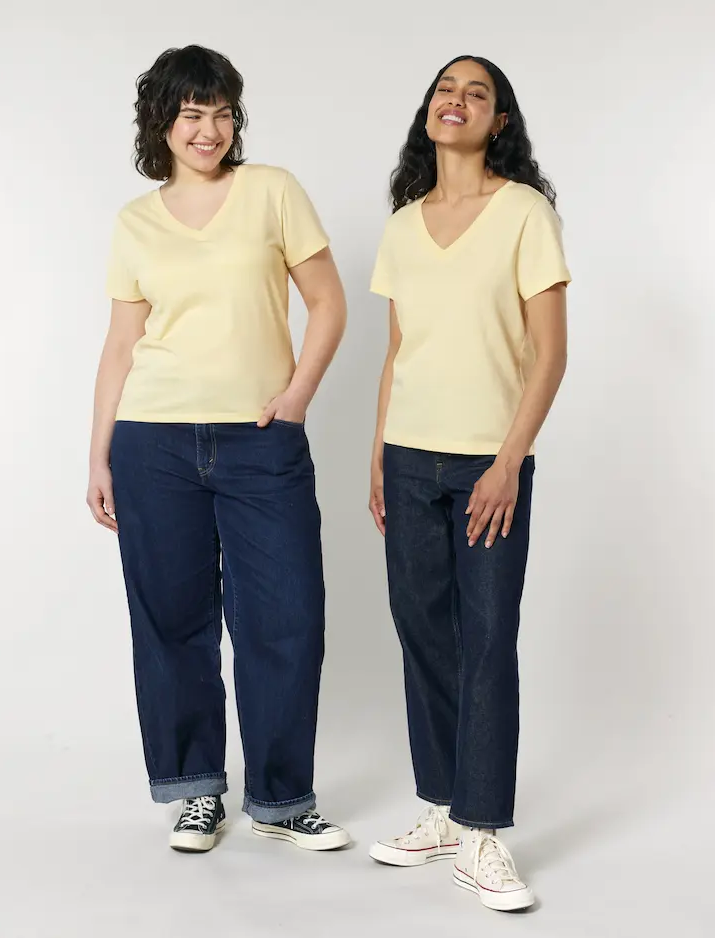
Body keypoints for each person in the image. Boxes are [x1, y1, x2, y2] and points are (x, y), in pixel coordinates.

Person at [87, 44, 350, 853]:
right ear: (161, 122)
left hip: (261, 439)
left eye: (222, 113)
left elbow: (328, 302)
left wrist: (296, 397)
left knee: (286, 618)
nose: (208, 130)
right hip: (152, 443)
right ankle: (196, 791)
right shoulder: (135, 222)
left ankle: (282, 800)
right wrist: (98, 455)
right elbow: (121, 345)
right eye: (191, 113)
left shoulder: (272, 191)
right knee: (172, 622)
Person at [367, 55, 570, 910]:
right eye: (445, 90)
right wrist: (378, 454)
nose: (456, 100)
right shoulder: (402, 226)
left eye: (476, 93)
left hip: (491, 461)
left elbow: (550, 353)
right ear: (429, 112)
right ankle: (443, 808)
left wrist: (509, 461)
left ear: (499, 121)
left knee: (487, 640)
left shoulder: (524, 213)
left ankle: (483, 830)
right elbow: (397, 351)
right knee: (422, 634)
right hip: (409, 459)